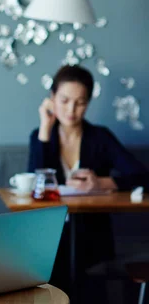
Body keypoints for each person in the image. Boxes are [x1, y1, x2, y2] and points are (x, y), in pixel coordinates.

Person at [27, 64, 149, 296]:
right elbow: (36, 183)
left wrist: (102, 183)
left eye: (80, 102)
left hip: (93, 237)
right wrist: (45, 126)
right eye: (64, 100)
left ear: (88, 103)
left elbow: (142, 175)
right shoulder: (41, 135)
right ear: (51, 98)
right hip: (49, 238)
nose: (71, 109)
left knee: (88, 280)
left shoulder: (100, 137)